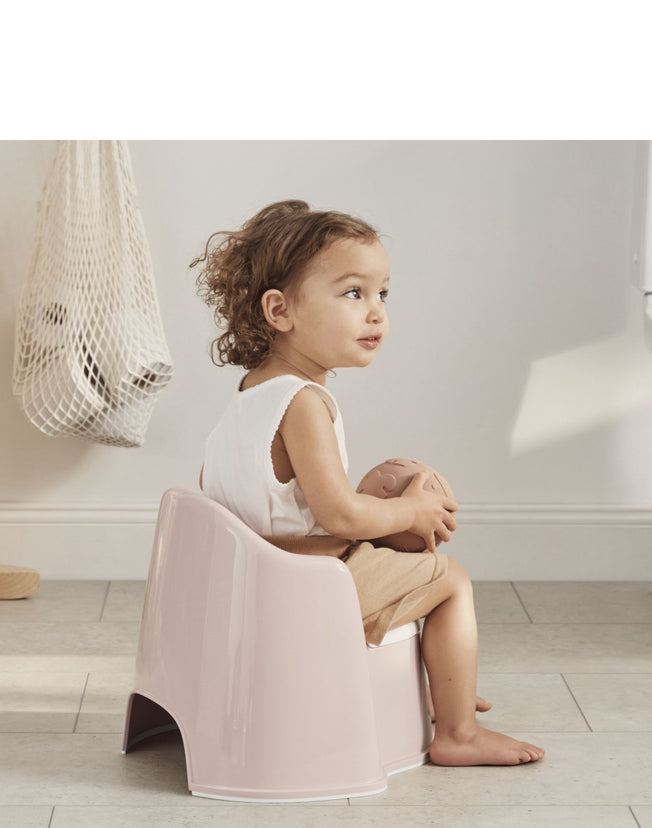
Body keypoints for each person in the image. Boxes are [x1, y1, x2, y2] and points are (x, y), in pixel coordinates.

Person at [192, 200, 544, 766]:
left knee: (396, 556)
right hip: (303, 589)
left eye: (383, 293)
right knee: (450, 580)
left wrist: (370, 504)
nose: (376, 312)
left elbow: (261, 502)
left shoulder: (245, 401)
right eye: (354, 293)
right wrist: (410, 513)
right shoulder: (304, 403)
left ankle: (440, 685)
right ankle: (457, 731)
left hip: (253, 582)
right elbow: (341, 517)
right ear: (281, 310)